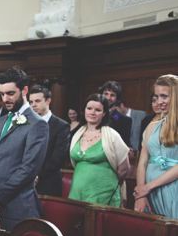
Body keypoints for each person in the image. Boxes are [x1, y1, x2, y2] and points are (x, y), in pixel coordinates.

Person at [0, 68, 49, 231]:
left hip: (17, 208)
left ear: (24, 90)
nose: (5, 99)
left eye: (10, 93)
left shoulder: (37, 124)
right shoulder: (0, 122)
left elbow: (28, 169)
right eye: (2, 94)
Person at [69, 94, 130, 207]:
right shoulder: (77, 134)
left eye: (97, 110)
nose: (92, 112)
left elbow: (124, 168)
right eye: (89, 108)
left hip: (103, 193)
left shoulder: (111, 135)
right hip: (77, 191)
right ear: (84, 110)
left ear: (104, 113)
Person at [134, 75, 178, 219]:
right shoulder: (152, 126)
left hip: (173, 189)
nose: (159, 102)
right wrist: (141, 194)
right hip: (150, 192)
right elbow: (142, 162)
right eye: (156, 96)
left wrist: (148, 186)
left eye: (164, 96)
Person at [29, 86, 70, 197]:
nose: (33, 105)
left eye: (37, 101)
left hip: (48, 183)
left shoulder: (61, 126)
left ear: (48, 101)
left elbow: (58, 158)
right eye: (31, 102)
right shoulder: (26, 123)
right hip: (25, 183)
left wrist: (36, 174)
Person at [99, 81, 132, 147]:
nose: (108, 98)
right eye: (106, 94)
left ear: (117, 98)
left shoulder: (125, 120)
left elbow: (123, 146)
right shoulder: (94, 116)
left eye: (112, 95)